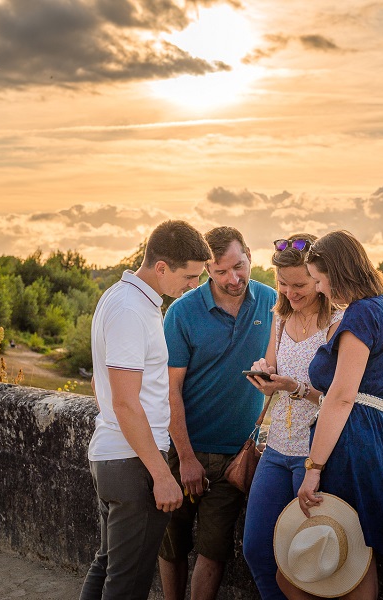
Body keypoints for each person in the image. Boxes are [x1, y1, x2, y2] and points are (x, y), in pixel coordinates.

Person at [279, 230, 383, 600]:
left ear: (338, 272)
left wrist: (313, 470)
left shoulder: (360, 316)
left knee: (334, 557)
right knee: (359, 556)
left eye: (319, 279)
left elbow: (341, 398)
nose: (320, 288)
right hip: (376, 441)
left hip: (352, 441)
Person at [80, 220, 212, 600]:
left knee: (107, 567)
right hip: (132, 462)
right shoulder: (130, 309)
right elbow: (124, 401)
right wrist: (161, 474)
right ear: (160, 267)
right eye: (189, 276)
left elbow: (99, 385)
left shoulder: (122, 298)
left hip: (117, 455)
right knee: (127, 583)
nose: (193, 286)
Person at [158, 226, 277, 600]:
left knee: (214, 552)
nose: (233, 278)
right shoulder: (181, 312)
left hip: (236, 456)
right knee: (172, 546)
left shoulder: (274, 302)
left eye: (239, 267)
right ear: (207, 269)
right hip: (182, 451)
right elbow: (170, 390)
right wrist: (187, 458)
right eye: (221, 271)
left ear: (251, 258)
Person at [242, 234, 344, 600]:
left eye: (299, 284)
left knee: (311, 557)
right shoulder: (279, 318)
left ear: (319, 279)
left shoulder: (338, 322)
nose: (289, 293)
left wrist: (298, 389)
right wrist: (264, 375)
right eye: (282, 284)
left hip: (313, 454)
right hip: (276, 449)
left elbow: (342, 398)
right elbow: (272, 365)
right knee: (256, 549)